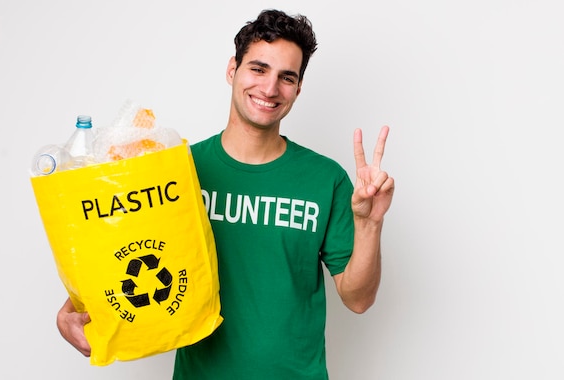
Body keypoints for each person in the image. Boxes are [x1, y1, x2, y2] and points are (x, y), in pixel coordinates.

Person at [57, 9, 395, 379]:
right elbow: (131, 254)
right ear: (232, 69)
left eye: (287, 77)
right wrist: (73, 309)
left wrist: (370, 223)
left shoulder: (325, 179)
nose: (269, 89)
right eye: (258, 69)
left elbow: (358, 299)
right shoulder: (178, 170)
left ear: (298, 88)